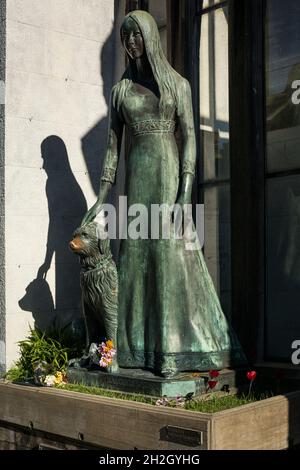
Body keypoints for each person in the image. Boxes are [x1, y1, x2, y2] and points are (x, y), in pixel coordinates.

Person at [82, 10, 245, 377]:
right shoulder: (120, 91)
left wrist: (186, 190)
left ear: (150, 38)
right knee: (137, 256)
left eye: (137, 35)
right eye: (126, 37)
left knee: (170, 257)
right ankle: (135, 349)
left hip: (169, 176)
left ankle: (171, 352)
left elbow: (189, 139)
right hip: (137, 178)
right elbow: (112, 148)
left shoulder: (178, 85)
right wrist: (101, 198)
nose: (131, 42)